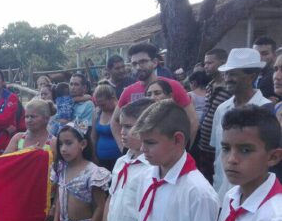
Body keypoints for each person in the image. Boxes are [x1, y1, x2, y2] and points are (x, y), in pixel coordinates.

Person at [5, 99, 58, 221]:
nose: (28, 120)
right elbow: (3, 164)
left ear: (45, 118)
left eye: (33, 116)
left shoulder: (53, 141)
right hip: (23, 199)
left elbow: (61, 174)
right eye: (26, 116)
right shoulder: (18, 138)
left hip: (46, 199)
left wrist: (56, 205)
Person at [210, 48, 272, 199]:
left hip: (254, 196)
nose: (227, 79)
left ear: (251, 76)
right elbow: (217, 153)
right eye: (226, 74)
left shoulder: (267, 110)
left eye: (233, 74)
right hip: (221, 193)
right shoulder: (222, 109)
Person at [112, 43, 198, 147]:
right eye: (134, 64)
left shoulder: (173, 86)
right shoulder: (128, 91)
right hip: (138, 156)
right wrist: (122, 148)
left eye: (143, 61)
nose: (138, 67)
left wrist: (183, 149)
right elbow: (114, 121)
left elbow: (192, 120)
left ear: (155, 62)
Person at [197, 48, 232, 184]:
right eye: (205, 63)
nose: (206, 66)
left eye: (210, 63)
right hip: (204, 143)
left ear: (222, 63)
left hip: (218, 145)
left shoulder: (228, 88)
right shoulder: (209, 86)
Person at [91, 84, 121, 171]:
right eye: (98, 104)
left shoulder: (121, 112)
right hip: (101, 159)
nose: (100, 107)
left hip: (119, 158)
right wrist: (93, 155)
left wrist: (117, 106)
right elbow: (93, 137)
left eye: (103, 104)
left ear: (112, 99)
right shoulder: (97, 112)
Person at [253, 36, 278, 102]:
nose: (259, 57)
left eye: (264, 54)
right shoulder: (248, 75)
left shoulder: (277, 78)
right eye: (256, 54)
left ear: (274, 56)